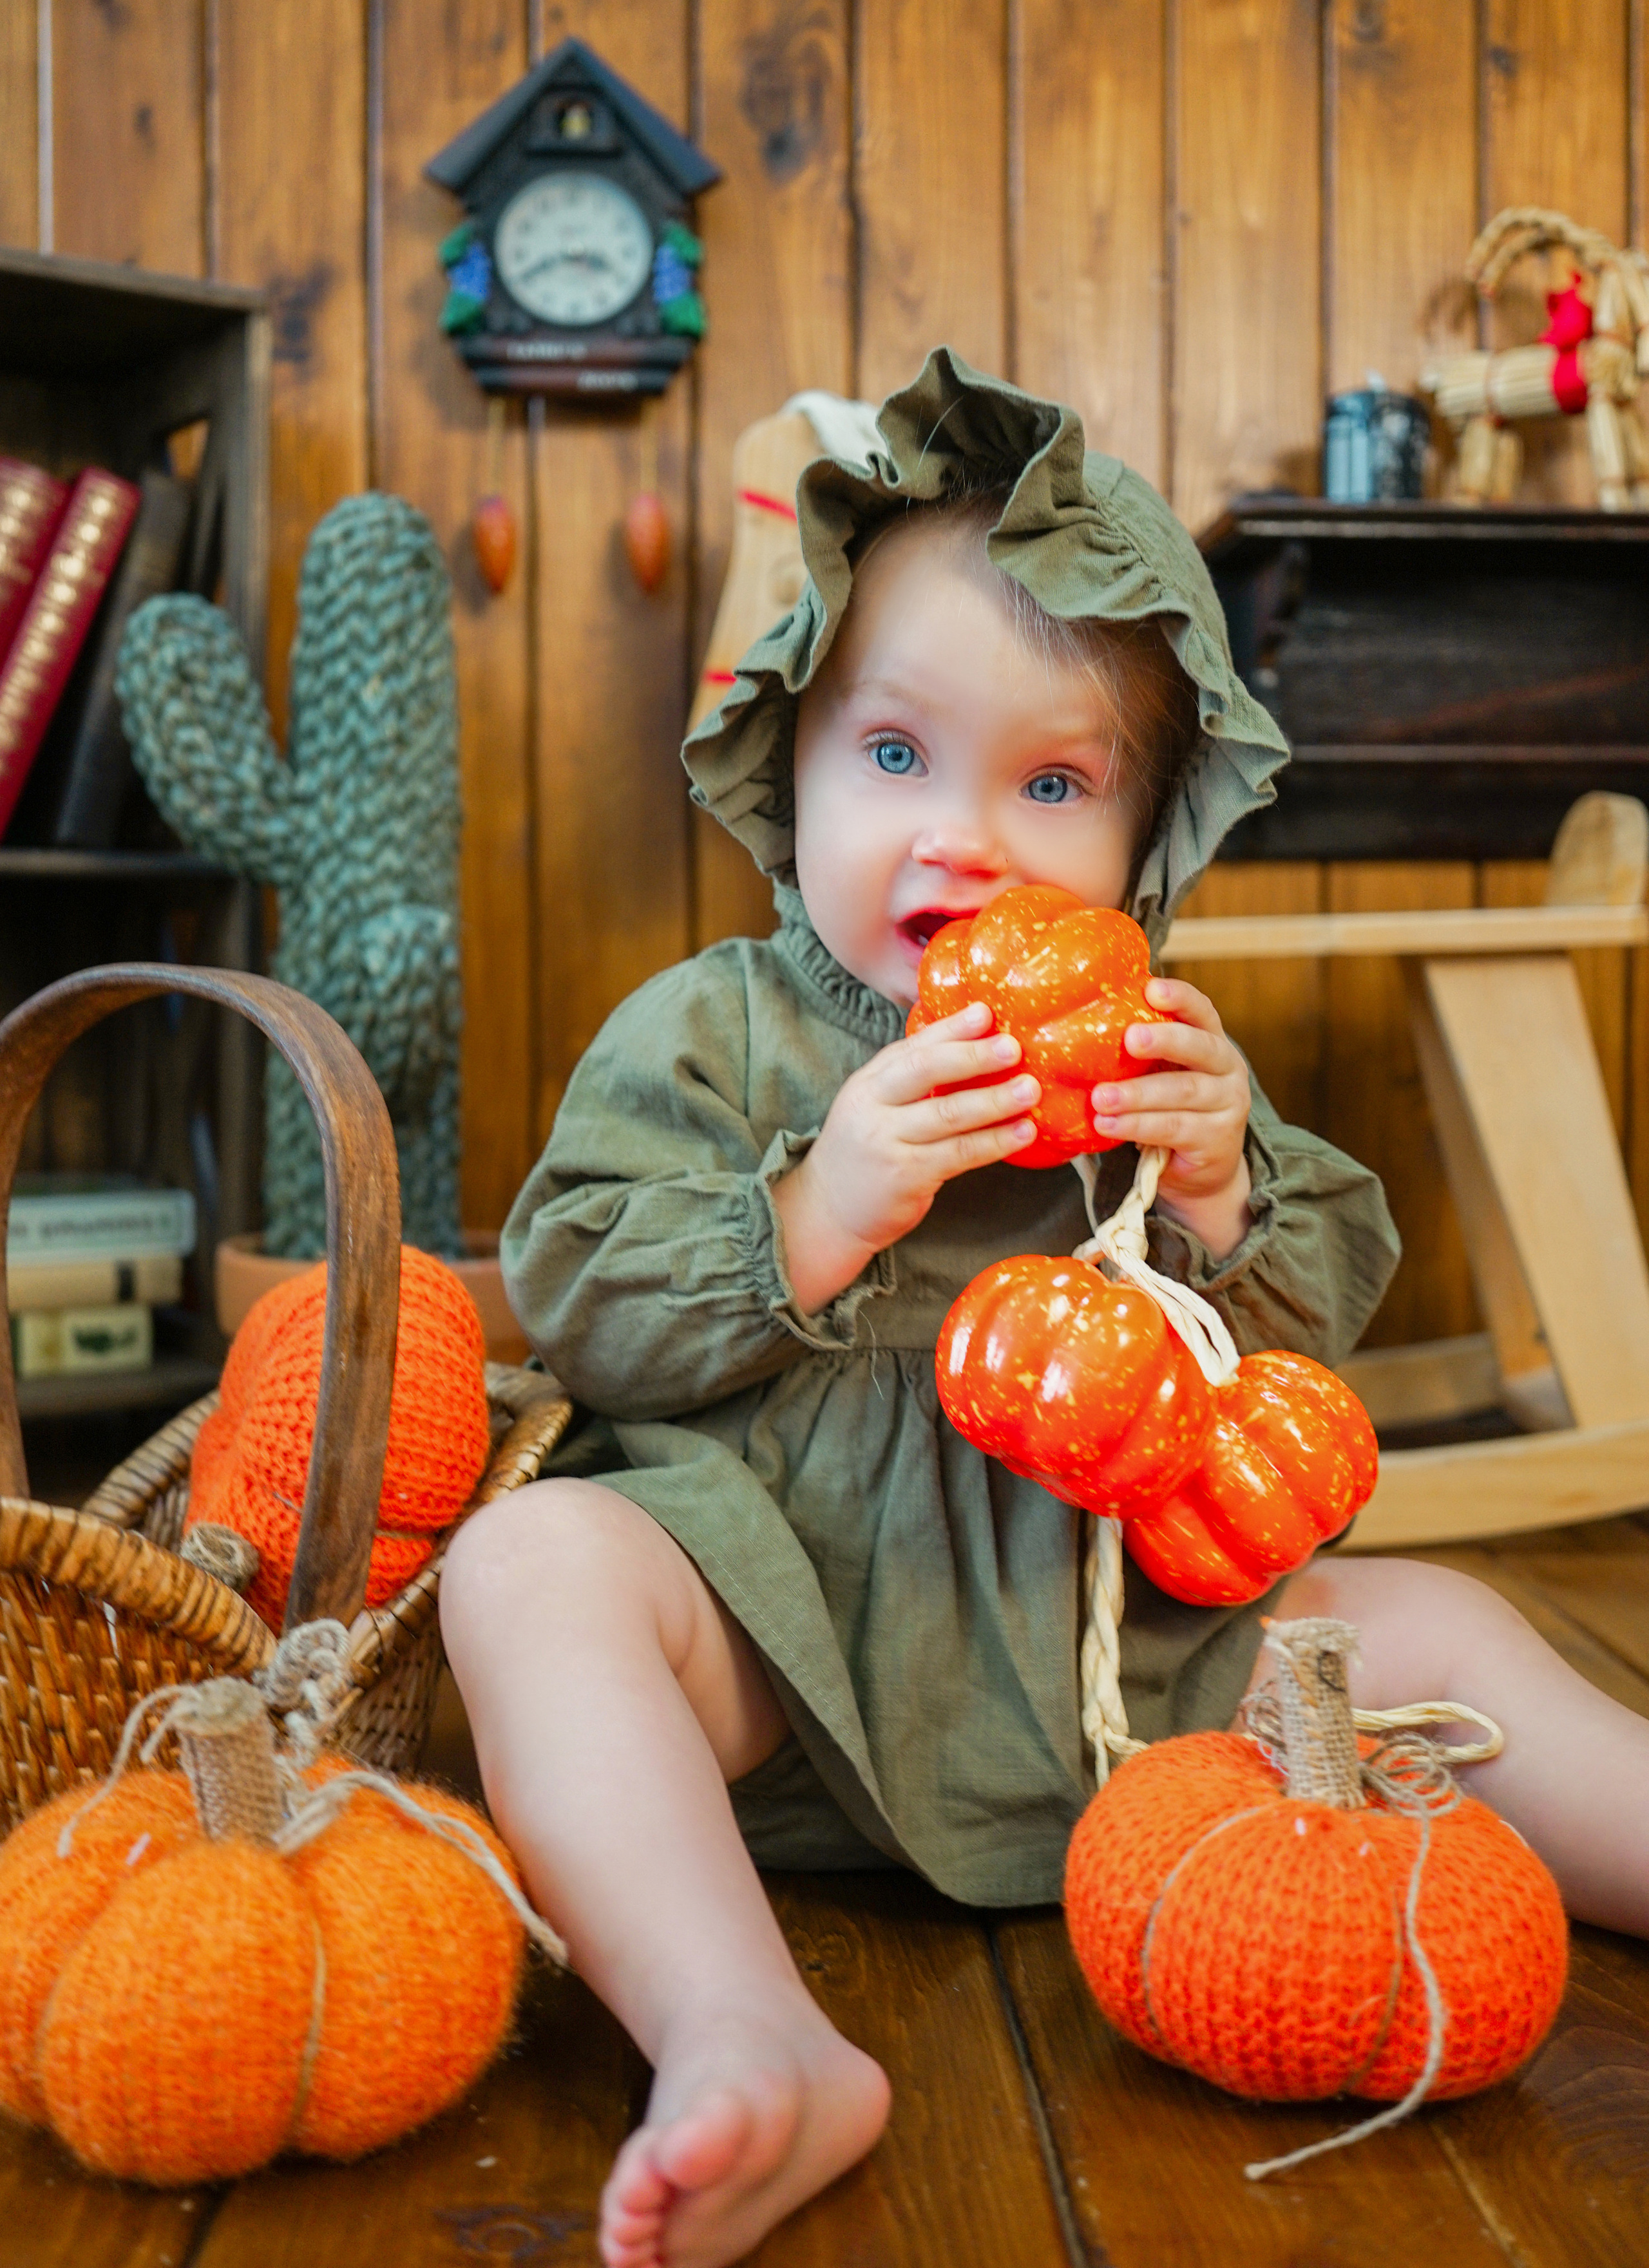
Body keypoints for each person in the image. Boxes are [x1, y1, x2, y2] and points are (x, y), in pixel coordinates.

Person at [441, 351, 1649, 2268]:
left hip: (1128, 1652)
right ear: (796, 757)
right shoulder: (712, 1032)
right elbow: (583, 1295)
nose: (965, 838)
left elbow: (1301, 1341)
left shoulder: (1166, 1062)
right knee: (530, 1572)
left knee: (1432, 1618)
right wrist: (822, 1201)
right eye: (897, 756)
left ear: (1146, 848)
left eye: (1056, 782)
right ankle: (739, 2023)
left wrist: (1226, 1188)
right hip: (791, 1655)